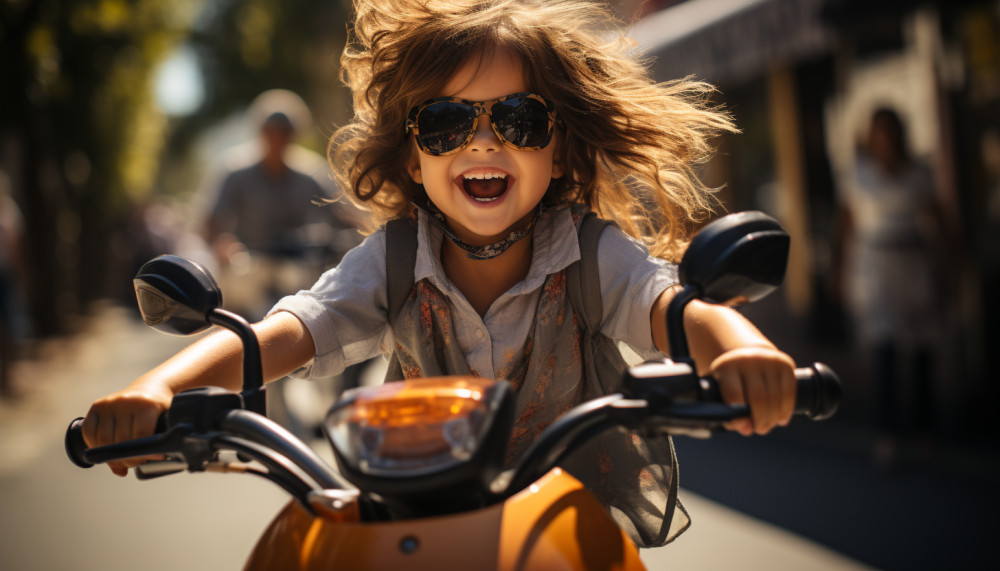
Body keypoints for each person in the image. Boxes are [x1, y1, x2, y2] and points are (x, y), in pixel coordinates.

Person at [82, 0, 797, 548]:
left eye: (518, 117)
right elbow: (284, 330)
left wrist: (743, 349)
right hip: (416, 530)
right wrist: (158, 386)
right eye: (447, 123)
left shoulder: (588, 252)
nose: (483, 140)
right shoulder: (393, 259)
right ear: (414, 156)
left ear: (558, 144)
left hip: (567, 529)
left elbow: (670, 303)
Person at [834, 107, 951, 469]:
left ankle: (925, 434)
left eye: (890, 131)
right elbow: (848, 226)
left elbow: (938, 219)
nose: (884, 138)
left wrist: (950, 264)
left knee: (921, 355)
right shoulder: (860, 176)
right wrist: (842, 271)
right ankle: (887, 436)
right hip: (876, 267)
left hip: (913, 264)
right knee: (884, 352)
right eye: (878, 132)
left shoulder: (918, 174)